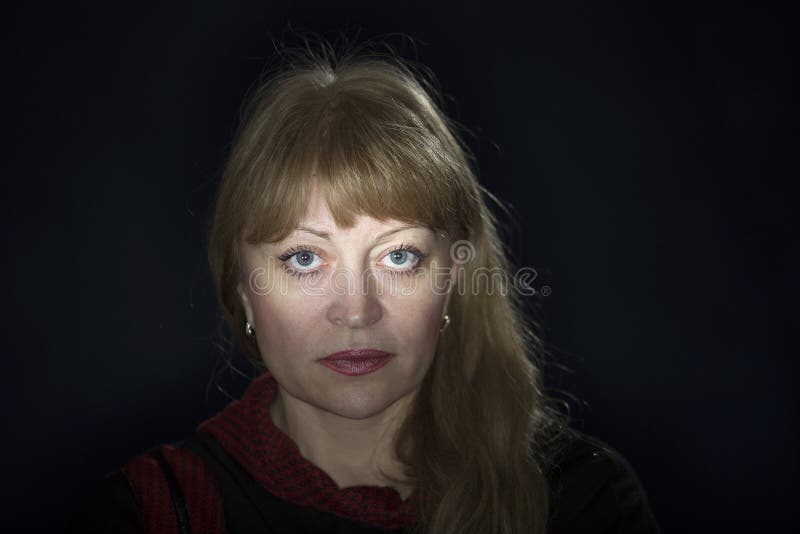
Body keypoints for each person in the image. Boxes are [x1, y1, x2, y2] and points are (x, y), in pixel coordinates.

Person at [74, 40, 660, 534]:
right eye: (304, 258)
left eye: (399, 256)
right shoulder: (147, 515)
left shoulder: (583, 501)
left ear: (452, 277)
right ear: (244, 287)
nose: (356, 311)